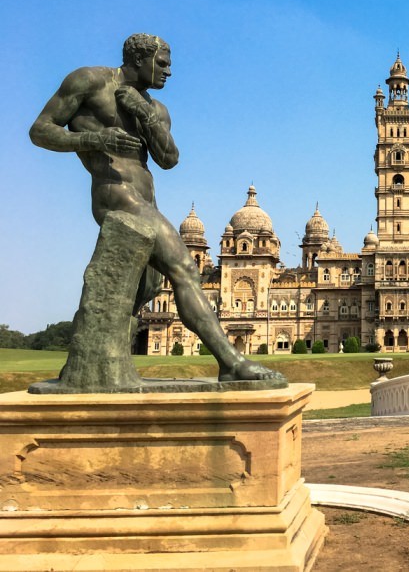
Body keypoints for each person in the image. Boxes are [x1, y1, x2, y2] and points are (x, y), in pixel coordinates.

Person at [29, 33, 284, 383]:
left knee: (146, 288)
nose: (168, 72)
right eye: (162, 64)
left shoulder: (155, 108)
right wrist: (91, 139)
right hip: (114, 194)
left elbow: (169, 159)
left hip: (146, 199)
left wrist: (144, 115)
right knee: (184, 268)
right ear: (139, 59)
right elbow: (40, 129)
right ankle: (230, 362)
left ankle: (89, 365)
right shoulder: (89, 81)